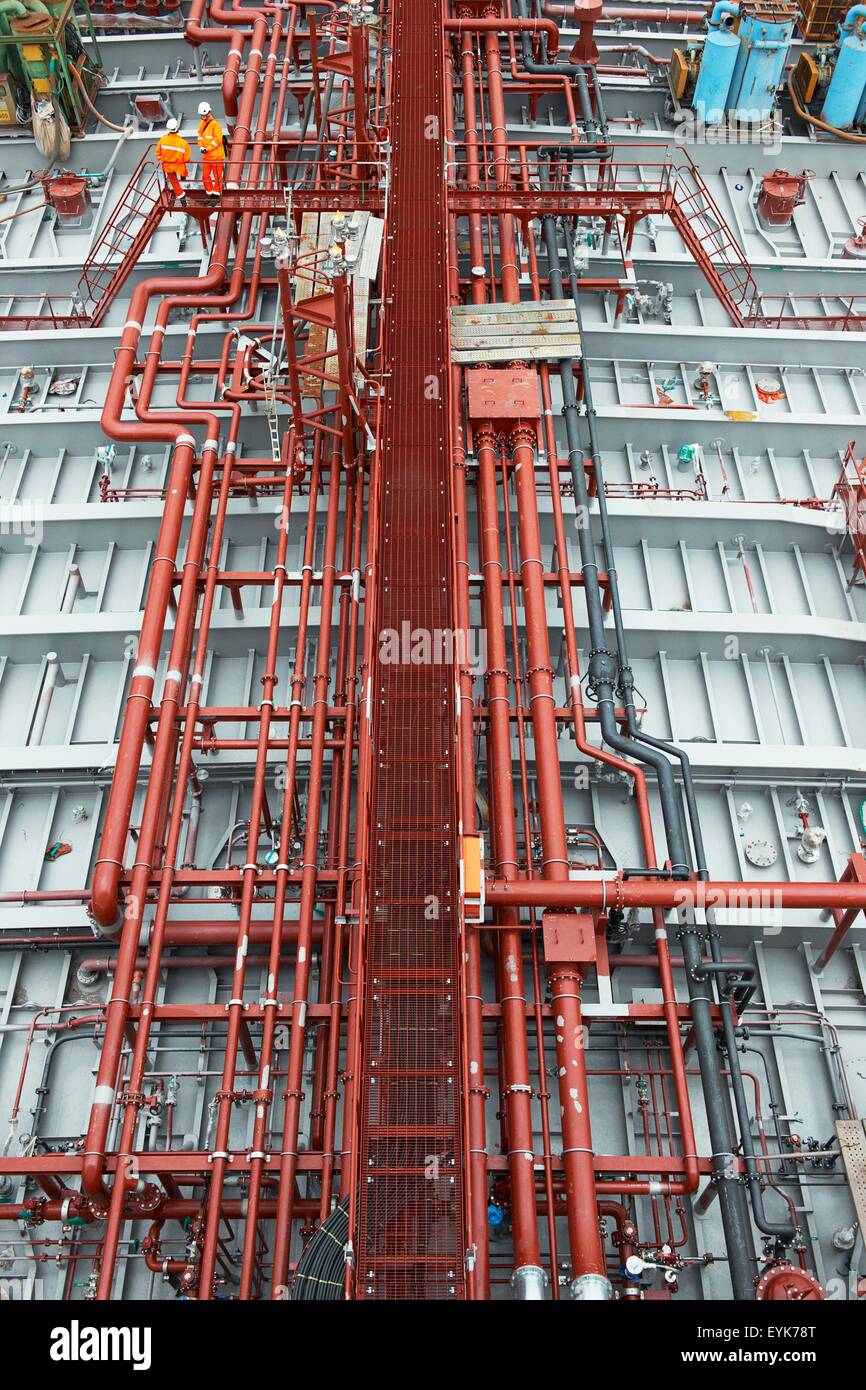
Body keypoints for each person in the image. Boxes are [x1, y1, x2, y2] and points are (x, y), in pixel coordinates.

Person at [155, 118, 190, 200]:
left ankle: (182, 197)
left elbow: (157, 153)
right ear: (177, 128)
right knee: (183, 168)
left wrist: (162, 160)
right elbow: (186, 159)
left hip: (167, 166)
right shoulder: (183, 143)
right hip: (178, 165)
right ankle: (183, 176)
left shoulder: (162, 140)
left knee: (174, 182)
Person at [197, 101, 226, 197]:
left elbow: (217, 140)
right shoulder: (202, 123)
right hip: (207, 157)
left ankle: (216, 194)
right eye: (201, 115)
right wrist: (201, 146)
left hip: (216, 157)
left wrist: (207, 148)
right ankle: (209, 193)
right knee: (205, 176)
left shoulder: (215, 125)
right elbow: (200, 136)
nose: (203, 117)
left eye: (204, 115)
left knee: (217, 177)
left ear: (209, 113)